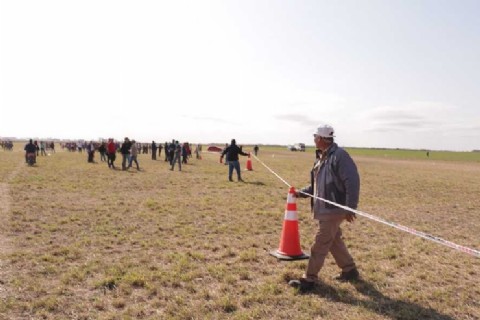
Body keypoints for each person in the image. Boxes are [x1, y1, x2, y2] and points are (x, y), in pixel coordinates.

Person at [288, 124, 360, 292]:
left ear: (321, 139)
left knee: (320, 244)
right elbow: (317, 186)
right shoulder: (322, 157)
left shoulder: (339, 156)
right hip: (325, 208)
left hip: (333, 209)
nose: (313, 139)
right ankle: (350, 270)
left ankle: (309, 279)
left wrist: (350, 208)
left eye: (315, 136)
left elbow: (352, 181)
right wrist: (301, 193)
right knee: (333, 240)